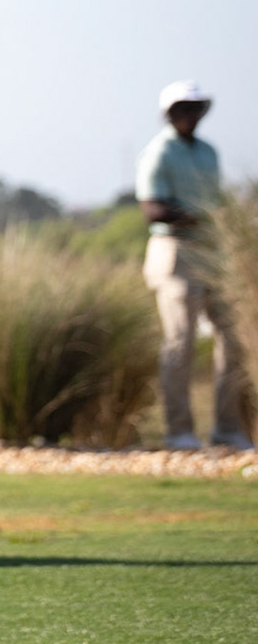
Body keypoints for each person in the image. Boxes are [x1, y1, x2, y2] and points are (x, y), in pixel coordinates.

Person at [136, 80, 252, 450]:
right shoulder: (159, 152)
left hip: (210, 253)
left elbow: (217, 200)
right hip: (174, 250)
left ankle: (228, 428)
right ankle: (179, 431)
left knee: (234, 338)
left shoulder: (208, 152)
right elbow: (153, 208)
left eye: (194, 108)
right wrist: (200, 216)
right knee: (180, 342)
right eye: (181, 108)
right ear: (169, 113)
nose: (189, 115)